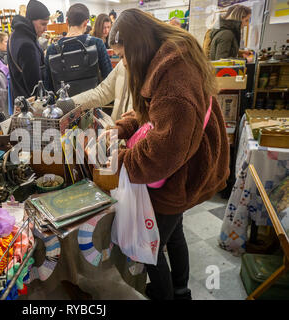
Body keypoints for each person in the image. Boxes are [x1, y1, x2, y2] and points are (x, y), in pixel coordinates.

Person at [104, 9, 229, 300]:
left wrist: (115, 159)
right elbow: (151, 109)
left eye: (123, 56)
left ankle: (166, 295)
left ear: (138, 47)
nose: (123, 63)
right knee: (174, 234)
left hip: (181, 174)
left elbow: (159, 156)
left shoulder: (174, 80)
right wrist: (121, 128)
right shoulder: (168, 60)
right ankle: (181, 290)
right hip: (188, 167)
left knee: (150, 247)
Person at [44, 3, 112, 93]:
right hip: (92, 102)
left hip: (64, 105)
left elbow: (48, 86)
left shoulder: (52, 49)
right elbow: (109, 77)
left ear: (67, 21)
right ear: (86, 22)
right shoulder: (96, 43)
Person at [72, 46, 132, 121]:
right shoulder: (121, 66)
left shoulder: (149, 72)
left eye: (122, 56)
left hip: (136, 130)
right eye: (121, 57)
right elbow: (102, 92)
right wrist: (71, 103)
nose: (124, 62)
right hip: (118, 128)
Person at [7, 0, 50, 100]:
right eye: (43, 24)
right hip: (32, 106)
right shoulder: (27, 45)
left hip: (20, 100)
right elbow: (35, 86)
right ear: (31, 21)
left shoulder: (15, 35)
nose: (46, 28)